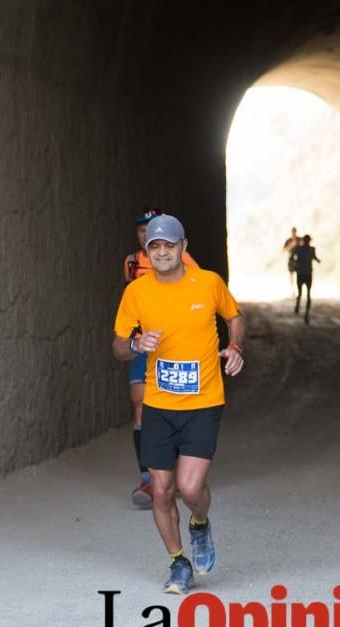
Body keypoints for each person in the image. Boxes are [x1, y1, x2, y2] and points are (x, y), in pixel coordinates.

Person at [112, 214, 245, 594]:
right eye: (155, 246)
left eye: (169, 245)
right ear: (147, 252)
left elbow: (235, 317)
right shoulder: (137, 293)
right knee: (162, 489)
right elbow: (118, 345)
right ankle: (177, 562)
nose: (162, 252)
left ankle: (200, 524)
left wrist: (235, 347)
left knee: (189, 488)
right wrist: (136, 345)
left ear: (183, 247)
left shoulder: (208, 283)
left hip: (203, 402)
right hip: (158, 404)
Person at [122, 209, 198, 509]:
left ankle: (176, 471)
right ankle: (148, 477)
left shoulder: (179, 257)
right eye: (141, 230)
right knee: (140, 403)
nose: (145, 235)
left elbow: (197, 286)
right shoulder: (130, 262)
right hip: (145, 342)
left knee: (175, 404)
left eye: (151, 229)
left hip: (176, 342)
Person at [292, 234, 321, 323]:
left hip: (302, 273)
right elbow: (314, 258)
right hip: (306, 273)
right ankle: (305, 313)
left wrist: (295, 265)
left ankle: (300, 308)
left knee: (302, 293)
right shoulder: (310, 249)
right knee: (306, 294)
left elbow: (292, 258)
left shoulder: (299, 249)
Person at [283, 227, 301, 296]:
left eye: (295, 231)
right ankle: (292, 290)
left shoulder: (299, 239)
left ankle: (298, 289)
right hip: (291, 260)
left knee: (299, 275)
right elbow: (284, 249)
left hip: (299, 260)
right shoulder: (288, 240)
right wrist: (291, 245)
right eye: (293, 232)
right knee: (291, 275)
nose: (294, 233)